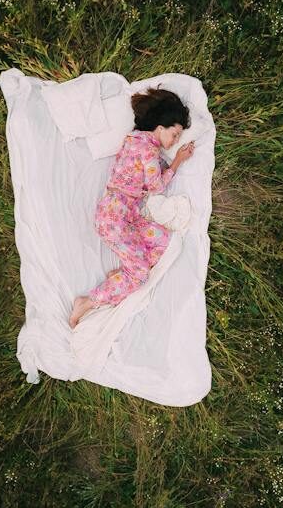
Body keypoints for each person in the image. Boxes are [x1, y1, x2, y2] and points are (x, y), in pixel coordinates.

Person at [70, 87, 196, 329]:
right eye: (175, 134)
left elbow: (149, 178)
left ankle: (123, 274)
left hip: (127, 215)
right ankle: (87, 302)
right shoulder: (147, 149)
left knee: (165, 242)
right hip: (114, 218)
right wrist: (178, 161)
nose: (175, 141)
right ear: (160, 127)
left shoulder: (136, 140)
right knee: (140, 275)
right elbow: (156, 186)